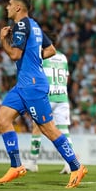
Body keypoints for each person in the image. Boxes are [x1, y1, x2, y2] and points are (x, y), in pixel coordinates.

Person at [0, 0, 87, 188]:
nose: (7, 7)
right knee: (3, 120)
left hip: (33, 86)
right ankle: (16, 166)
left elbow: (14, 54)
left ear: (18, 8)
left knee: (48, 129)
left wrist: (2, 39)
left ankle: (76, 166)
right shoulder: (34, 25)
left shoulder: (21, 26)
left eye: (10, 4)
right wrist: (35, 58)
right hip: (23, 85)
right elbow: (51, 49)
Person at [24, 46, 74, 174]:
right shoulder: (63, 57)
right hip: (62, 97)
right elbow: (66, 78)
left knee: (37, 126)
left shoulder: (42, 56)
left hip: (47, 97)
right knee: (64, 131)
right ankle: (70, 164)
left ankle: (33, 162)